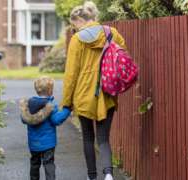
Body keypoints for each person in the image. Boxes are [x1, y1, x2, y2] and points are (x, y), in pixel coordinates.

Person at [62, 2, 127, 180]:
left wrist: (66, 102)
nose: (74, 29)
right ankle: (108, 175)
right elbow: (123, 57)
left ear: (79, 20)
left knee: (88, 138)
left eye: (74, 25)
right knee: (104, 138)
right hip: (107, 92)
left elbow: (71, 74)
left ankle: (92, 177)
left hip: (83, 96)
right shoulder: (111, 33)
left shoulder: (77, 40)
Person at [19, 76, 71, 180]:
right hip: (48, 144)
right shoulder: (50, 106)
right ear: (50, 91)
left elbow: (24, 119)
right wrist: (67, 110)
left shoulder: (29, 105)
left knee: (34, 163)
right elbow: (56, 120)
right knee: (48, 164)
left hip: (33, 143)